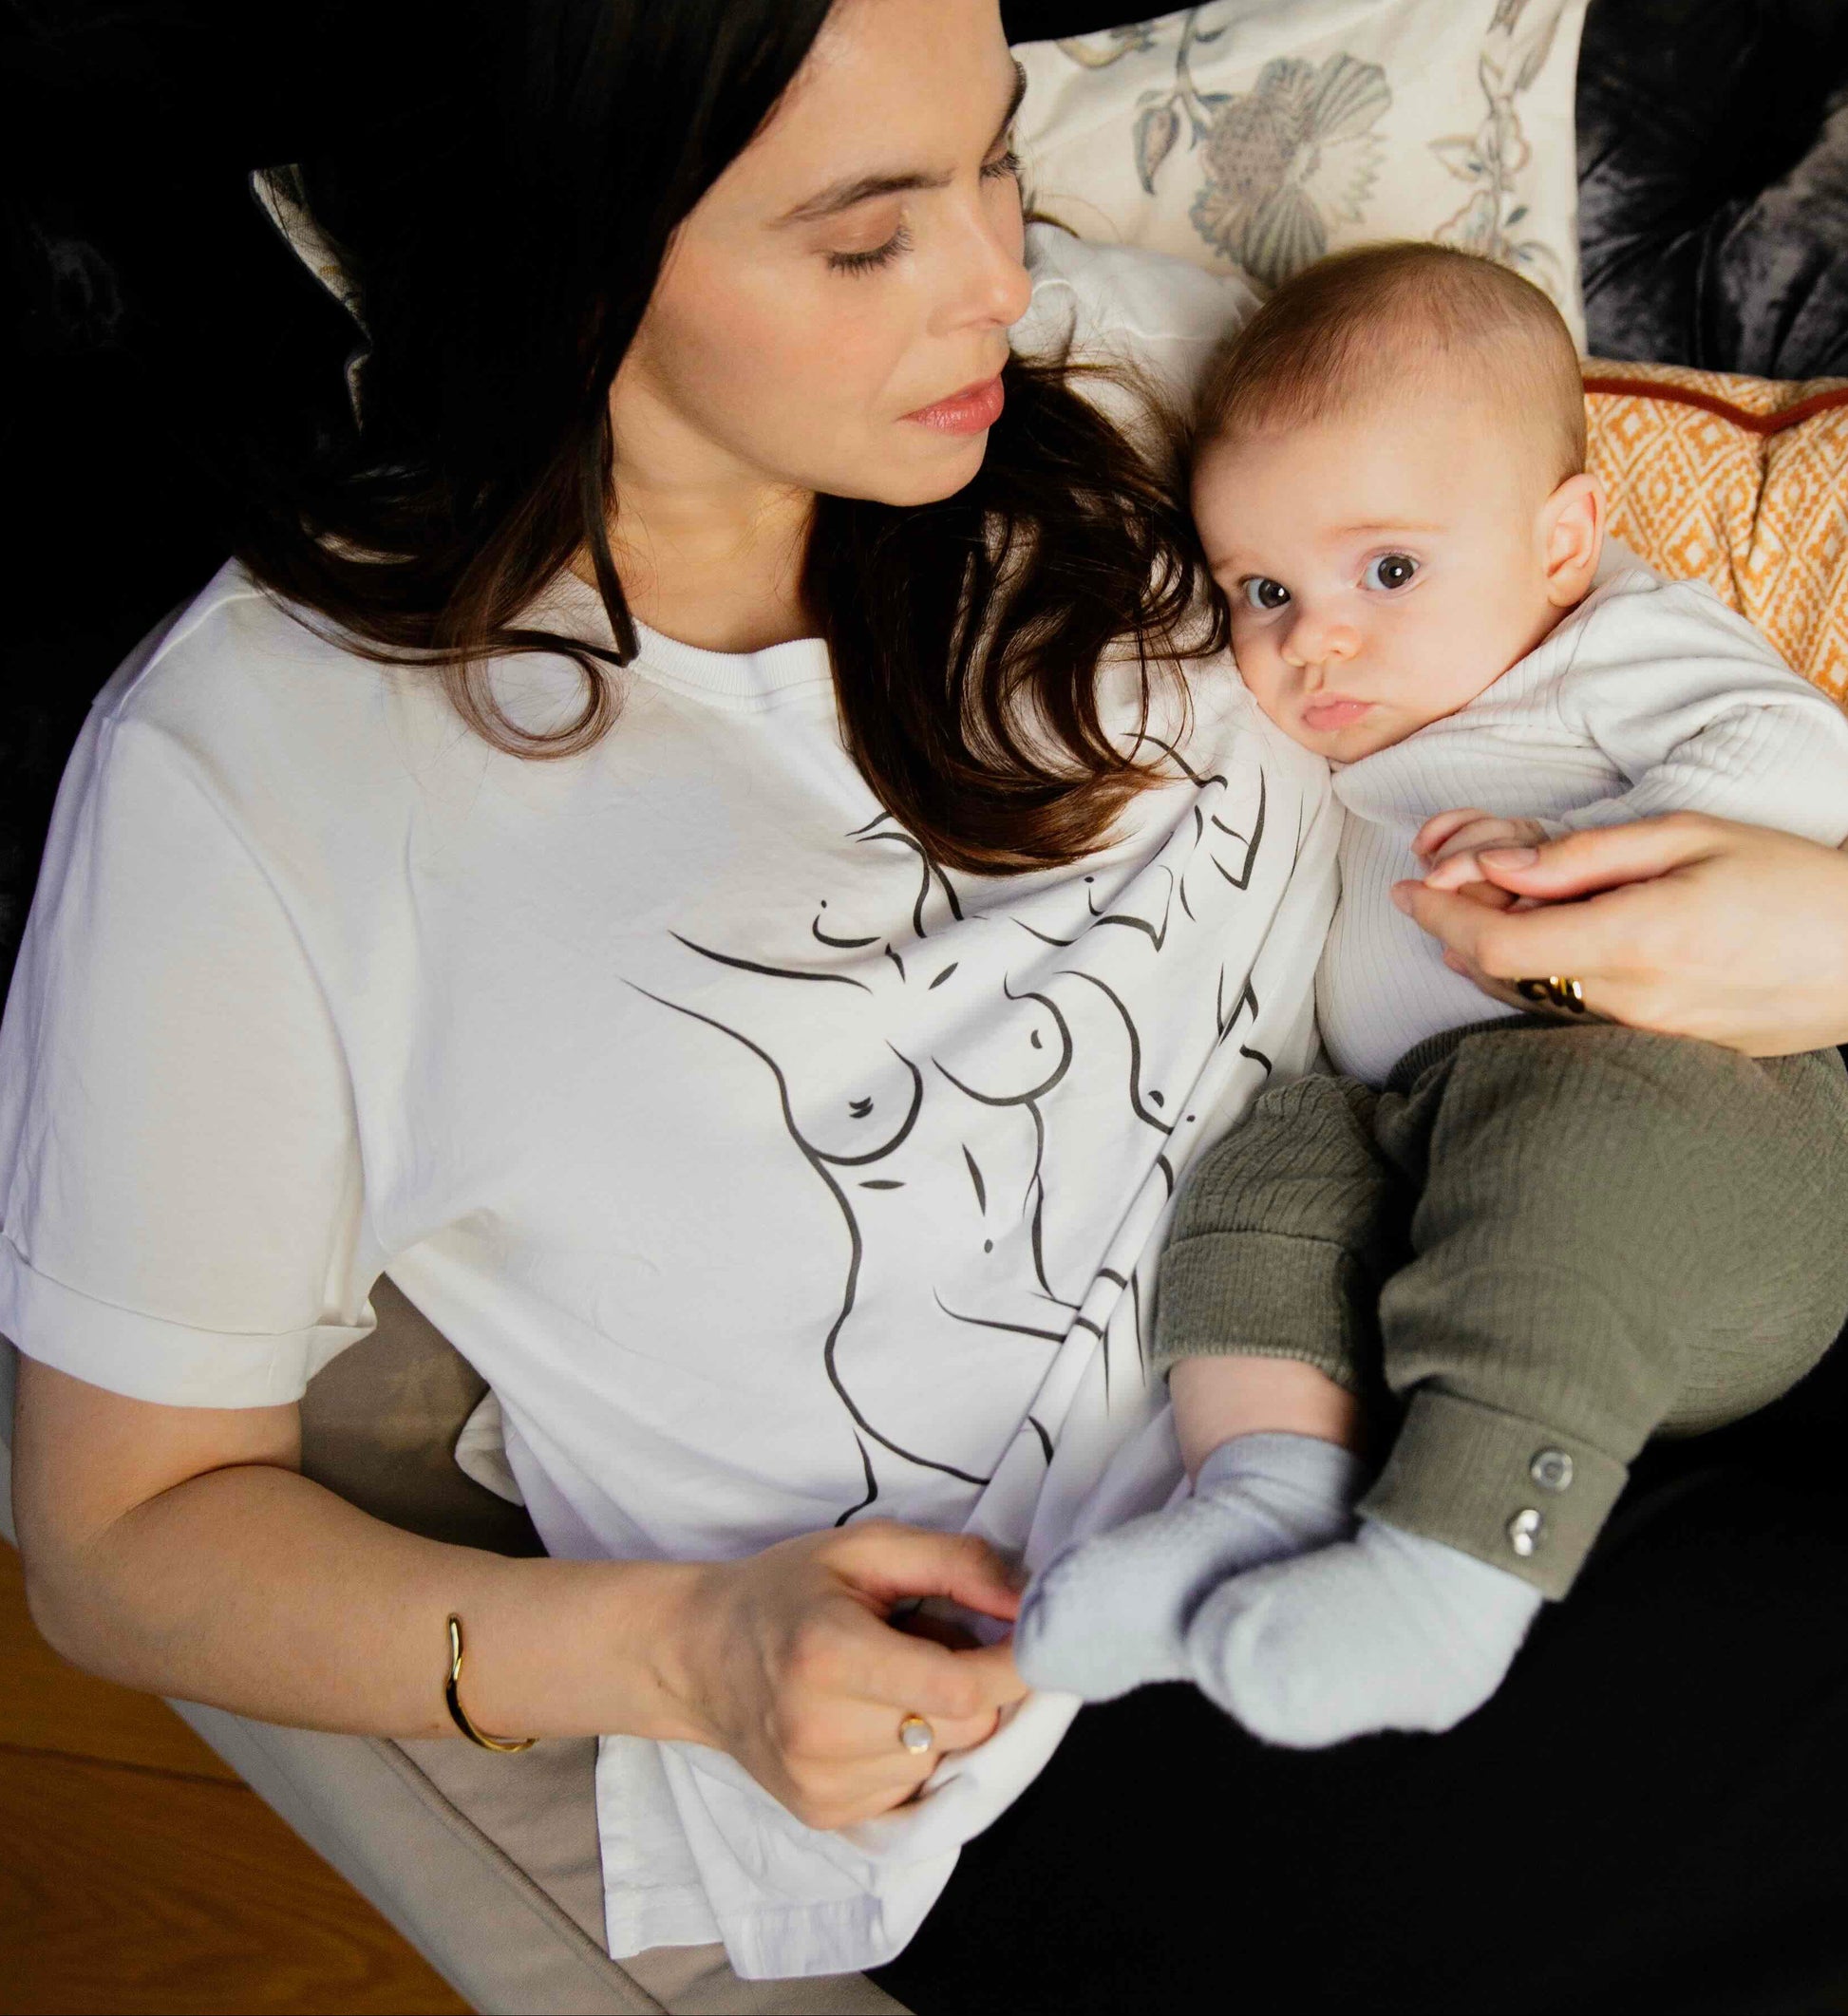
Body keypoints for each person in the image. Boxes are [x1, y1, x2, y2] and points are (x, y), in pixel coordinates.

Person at [2, 3, 1846, 2007]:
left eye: (992, 162)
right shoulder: (258, 771)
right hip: (1119, 1669)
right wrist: (680, 1651)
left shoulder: (1137, 376)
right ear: (570, 242)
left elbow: (1585, 665)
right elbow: (118, 1540)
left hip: (1600, 1237)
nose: (994, 278)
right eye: (867, 235)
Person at [1011, 242, 1848, 1745]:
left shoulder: (1609, 647)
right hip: (1432, 1150)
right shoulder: (1338, 731)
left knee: (1558, 1100)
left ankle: (1456, 1573)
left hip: (1714, 1173)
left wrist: (1580, 855)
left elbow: (1800, 758)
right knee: (1274, 1147)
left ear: (1558, 543)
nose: (1310, 636)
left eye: (1385, 569)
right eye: (1261, 587)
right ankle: (1255, 1498)